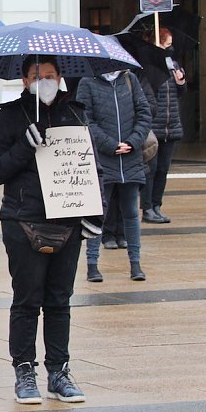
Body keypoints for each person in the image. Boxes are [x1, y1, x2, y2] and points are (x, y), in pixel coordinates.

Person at [0, 55, 92, 405]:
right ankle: (24, 371)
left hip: (68, 219)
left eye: (50, 75)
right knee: (27, 300)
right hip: (23, 219)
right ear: (25, 80)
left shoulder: (74, 112)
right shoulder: (10, 116)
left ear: (60, 77)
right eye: (36, 76)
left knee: (60, 300)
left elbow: (89, 166)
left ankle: (59, 371)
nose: (44, 81)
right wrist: (23, 147)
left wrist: (94, 214)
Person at [76, 69, 152, 282]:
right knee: (98, 213)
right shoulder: (87, 82)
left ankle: (135, 265)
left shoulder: (130, 79)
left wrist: (133, 141)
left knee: (131, 213)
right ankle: (92, 265)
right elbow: (84, 119)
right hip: (103, 159)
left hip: (130, 159)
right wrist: (109, 145)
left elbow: (144, 113)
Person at [140, 27, 186, 224]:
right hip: (154, 126)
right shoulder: (147, 67)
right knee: (151, 168)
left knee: (163, 169)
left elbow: (180, 94)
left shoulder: (173, 65)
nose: (170, 48)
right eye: (166, 44)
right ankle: (147, 207)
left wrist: (181, 82)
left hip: (171, 125)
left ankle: (157, 205)